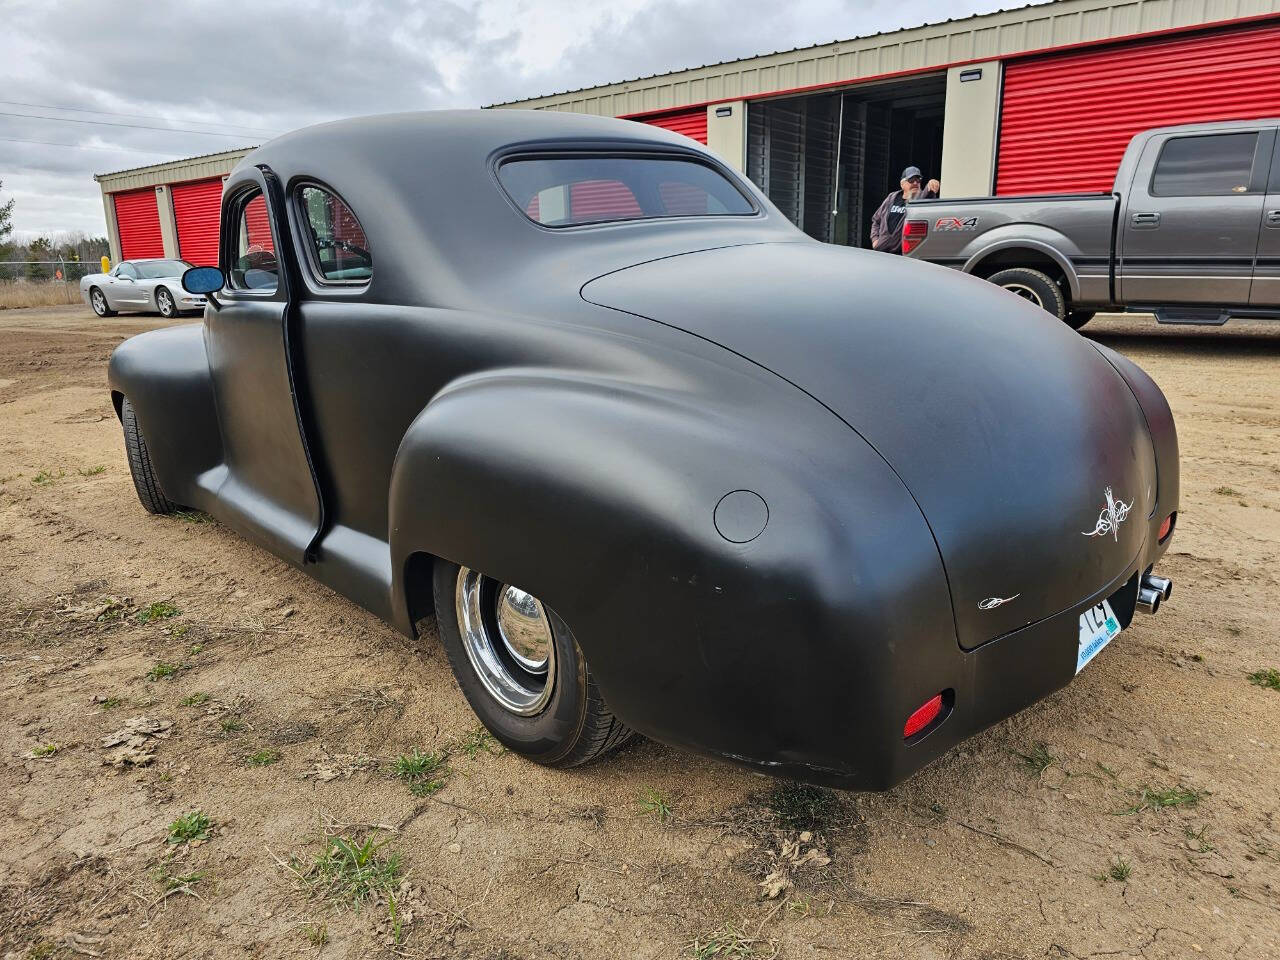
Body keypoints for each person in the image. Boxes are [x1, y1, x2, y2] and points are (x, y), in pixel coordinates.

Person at [870, 166, 940, 253]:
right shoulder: (891, 197)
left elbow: (928, 194)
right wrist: (875, 240)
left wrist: (932, 183)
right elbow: (876, 220)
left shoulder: (920, 200)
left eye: (918, 180)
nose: (915, 183)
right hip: (881, 251)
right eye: (911, 180)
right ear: (902, 184)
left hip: (903, 254)